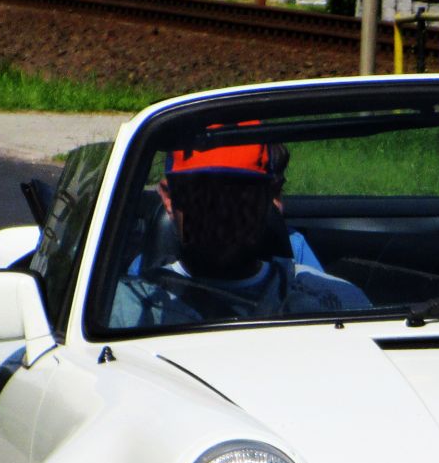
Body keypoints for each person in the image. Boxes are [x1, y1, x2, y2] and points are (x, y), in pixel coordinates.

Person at [110, 138, 367, 327]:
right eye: (204, 195)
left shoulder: (335, 301)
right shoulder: (125, 310)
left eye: (241, 193)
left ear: (269, 198)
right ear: (169, 198)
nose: (222, 210)